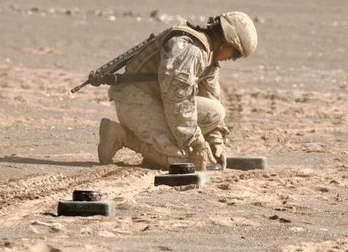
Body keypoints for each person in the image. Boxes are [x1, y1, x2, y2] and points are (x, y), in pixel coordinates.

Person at [97, 12, 257, 169]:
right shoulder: (190, 50)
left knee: (217, 112)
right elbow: (178, 101)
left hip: (158, 101)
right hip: (136, 100)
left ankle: (164, 144)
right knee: (186, 162)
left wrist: (216, 143)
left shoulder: (209, 56)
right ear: (227, 42)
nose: (233, 59)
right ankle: (121, 136)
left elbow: (210, 100)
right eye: (235, 54)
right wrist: (197, 143)